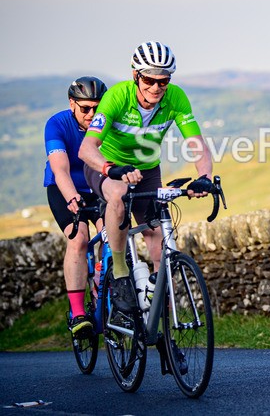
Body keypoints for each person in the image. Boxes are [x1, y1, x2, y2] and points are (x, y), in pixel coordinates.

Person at [79, 41, 213, 313]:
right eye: (149, 80)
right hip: (106, 165)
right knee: (117, 195)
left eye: (162, 81)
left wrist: (205, 177)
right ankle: (119, 272)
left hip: (147, 170)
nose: (155, 88)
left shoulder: (175, 98)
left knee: (156, 233)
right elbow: (86, 148)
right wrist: (110, 169)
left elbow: (196, 144)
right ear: (135, 76)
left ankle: (159, 310)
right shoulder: (117, 97)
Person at [44, 76, 108, 336]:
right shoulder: (56, 124)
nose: (92, 114)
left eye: (97, 107)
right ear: (72, 104)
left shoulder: (106, 123)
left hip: (97, 186)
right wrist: (72, 197)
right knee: (79, 238)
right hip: (65, 188)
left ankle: (103, 283)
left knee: (111, 234)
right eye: (85, 108)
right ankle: (78, 313)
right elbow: (60, 170)